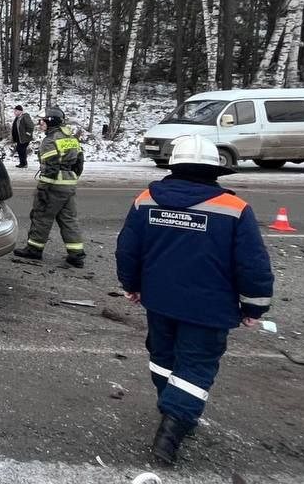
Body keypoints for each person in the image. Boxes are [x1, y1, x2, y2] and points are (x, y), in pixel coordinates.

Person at [116, 134, 273, 465]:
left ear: (172, 166)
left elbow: (128, 250)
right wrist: (255, 306)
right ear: (214, 170)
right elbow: (253, 265)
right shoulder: (234, 209)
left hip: (159, 301)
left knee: (163, 357)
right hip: (209, 309)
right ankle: (171, 431)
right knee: (196, 366)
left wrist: (131, 284)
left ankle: (173, 407)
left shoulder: (146, 200)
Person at [13, 106, 86, 267]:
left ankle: (34, 250)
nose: (40, 124)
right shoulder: (71, 138)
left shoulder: (50, 140)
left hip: (53, 186)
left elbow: (51, 168)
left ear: (51, 122)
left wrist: (44, 189)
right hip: (68, 185)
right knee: (69, 219)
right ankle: (76, 255)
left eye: (42, 121)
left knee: (41, 216)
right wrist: (71, 178)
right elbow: (79, 163)